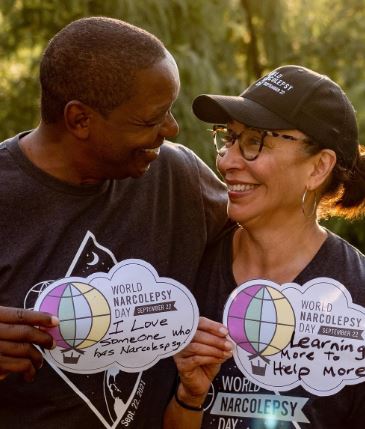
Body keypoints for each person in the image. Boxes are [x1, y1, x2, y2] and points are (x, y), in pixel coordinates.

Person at [0, 16, 231, 429]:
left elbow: (271, 245)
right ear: (79, 120)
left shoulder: (179, 178)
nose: (172, 129)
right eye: (150, 120)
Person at [164, 65, 365, 429]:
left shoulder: (359, 294)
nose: (226, 161)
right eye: (229, 138)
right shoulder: (187, 270)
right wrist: (190, 397)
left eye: (255, 142)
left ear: (318, 167)